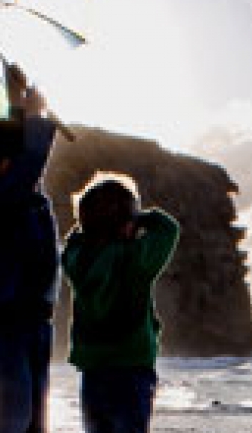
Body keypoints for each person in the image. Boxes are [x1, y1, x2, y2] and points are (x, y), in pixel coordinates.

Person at [0, 64, 59, 433]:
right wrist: (35, 118)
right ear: (6, 167)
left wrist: (15, 104)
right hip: (8, 325)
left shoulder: (26, 198)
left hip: (35, 324)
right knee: (9, 421)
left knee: (34, 424)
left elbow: (25, 166)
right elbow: (27, 165)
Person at [62, 173, 180, 433]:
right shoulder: (135, 260)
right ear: (128, 224)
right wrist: (141, 217)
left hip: (92, 372)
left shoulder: (78, 261)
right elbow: (169, 229)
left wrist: (90, 231)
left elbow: (72, 241)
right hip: (131, 371)